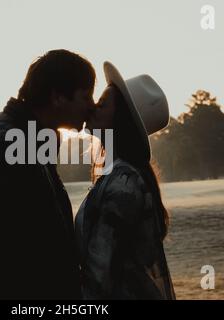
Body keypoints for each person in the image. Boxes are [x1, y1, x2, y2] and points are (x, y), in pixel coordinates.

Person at [0, 49, 96, 299]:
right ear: (58, 97)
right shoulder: (6, 147)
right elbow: (11, 258)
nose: (91, 107)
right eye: (86, 96)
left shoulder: (28, 141)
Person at [75, 61, 176, 299]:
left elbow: (99, 274)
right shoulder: (121, 177)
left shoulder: (123, 184)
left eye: (102, 105)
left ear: (120, 119)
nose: (92, 109)